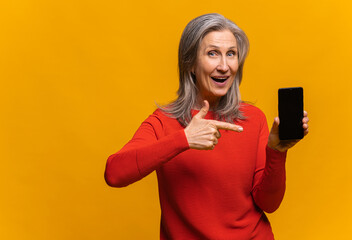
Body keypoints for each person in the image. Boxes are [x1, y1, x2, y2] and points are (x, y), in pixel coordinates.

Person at [105, 13, 309, 240]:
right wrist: (184, 139)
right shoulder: (164, 121)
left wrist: (276, 152)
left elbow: (269, 203)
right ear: (190, 63)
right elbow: (114, 174)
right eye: (213, 54)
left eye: (231, 54)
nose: (224, 66)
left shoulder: (254, 118)